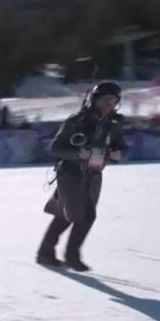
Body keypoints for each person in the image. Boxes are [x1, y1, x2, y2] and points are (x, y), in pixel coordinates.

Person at [36, 81, 130, 272]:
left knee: (66, 215)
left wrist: (119, 154)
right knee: (85, 215)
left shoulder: (113, 124)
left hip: (94, 174)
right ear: (94, 100)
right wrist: (78, 154)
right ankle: (72, 257)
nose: (108, 104)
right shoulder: (76, 120)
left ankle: (45, 253)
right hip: (69, 173)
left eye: (112, 101)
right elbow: (55, 148)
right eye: (104, 100)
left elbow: (122, 148)